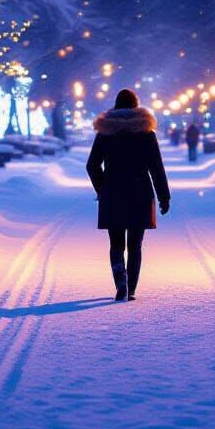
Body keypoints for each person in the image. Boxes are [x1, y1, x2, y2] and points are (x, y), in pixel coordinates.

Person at [86, 89, 170, 302]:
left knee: (116, 244)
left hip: (113, 193)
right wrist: (164, 197)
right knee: (135, 244)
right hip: (140, 192)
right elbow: (156, 167)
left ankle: (120, 281)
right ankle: (131, 288)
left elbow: (92, 165)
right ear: (136, 107)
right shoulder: (146, 133)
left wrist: (102, 188)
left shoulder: (105, 133)